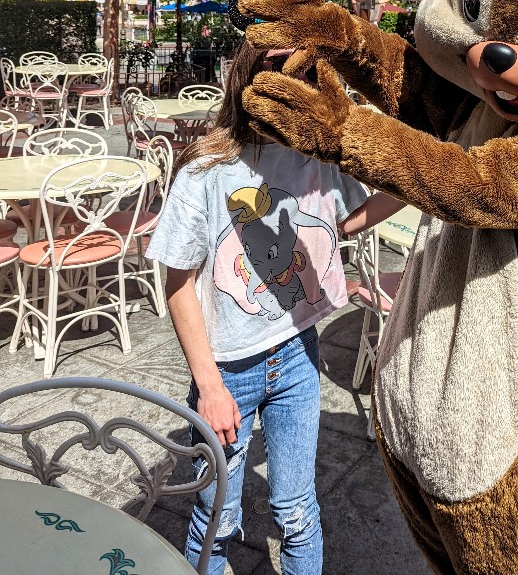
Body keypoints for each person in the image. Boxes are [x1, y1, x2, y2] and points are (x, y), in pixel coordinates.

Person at [146, 40, 402, 574]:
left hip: (298, 356)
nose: (289, 81)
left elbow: (342, 222)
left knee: (297, 511)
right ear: (246, 78)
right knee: (216, 512)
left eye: (303, 71)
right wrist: (210, 386)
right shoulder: (207, 169)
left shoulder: (317, 160)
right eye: (274, 67)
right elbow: (178, 282)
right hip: (228, 370)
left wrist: (420, 180)